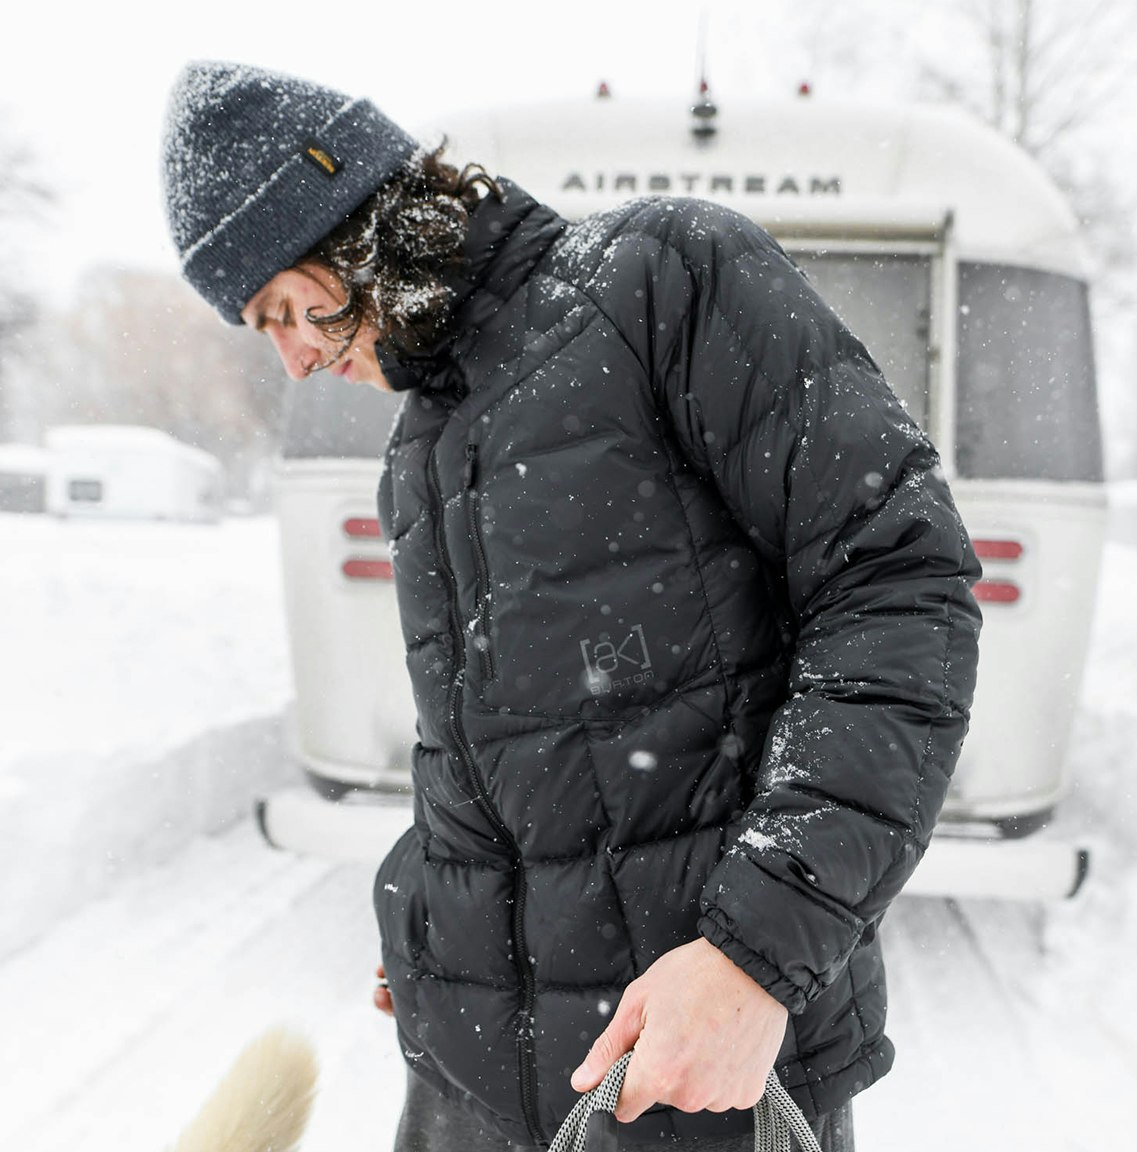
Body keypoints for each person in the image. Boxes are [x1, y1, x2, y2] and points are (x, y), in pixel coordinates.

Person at [161, 61, 981, 1152]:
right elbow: (498, 750)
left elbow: (896, 588)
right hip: (469, 1078)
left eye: (283, 308)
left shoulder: (659, 283)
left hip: (678, 1070)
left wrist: (756, 954)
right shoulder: (419, 451)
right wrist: (438, 920)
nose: (296, 358)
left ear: (357, 226)